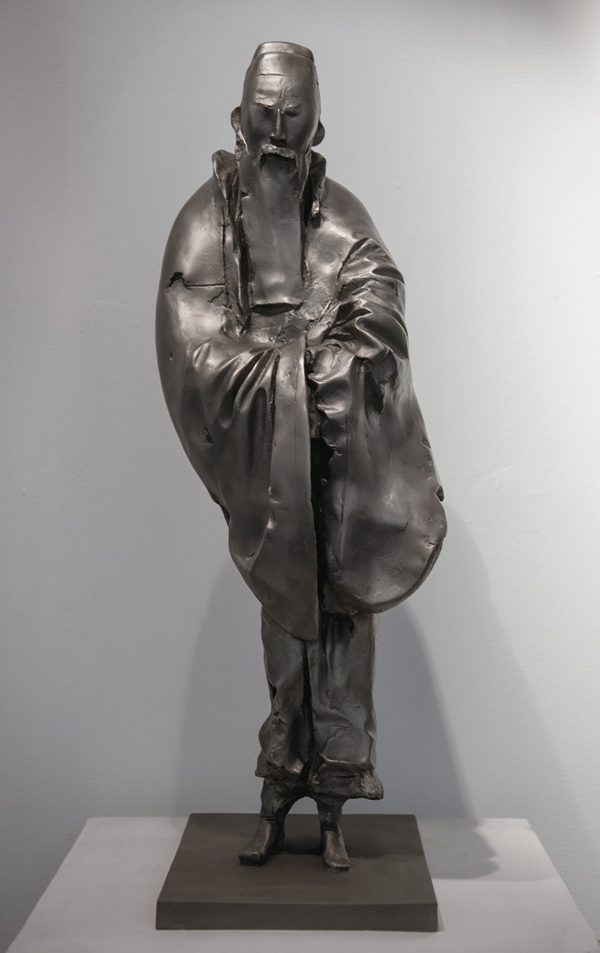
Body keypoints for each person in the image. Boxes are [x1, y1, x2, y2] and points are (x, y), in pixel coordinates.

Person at [156, 42, 446, 871]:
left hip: (338, 466)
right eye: (265, 115)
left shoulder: (344, 219)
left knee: (345, 622)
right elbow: (192, 345)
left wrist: (323, 365)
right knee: (285, 626)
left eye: (293, 116)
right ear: (238, 119)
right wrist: (295, 370)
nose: (278, 133)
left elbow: (379, 306)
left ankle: (335, 804)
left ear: (318, 126)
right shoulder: (206, 224)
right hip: (269, 468)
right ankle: (278, 788)